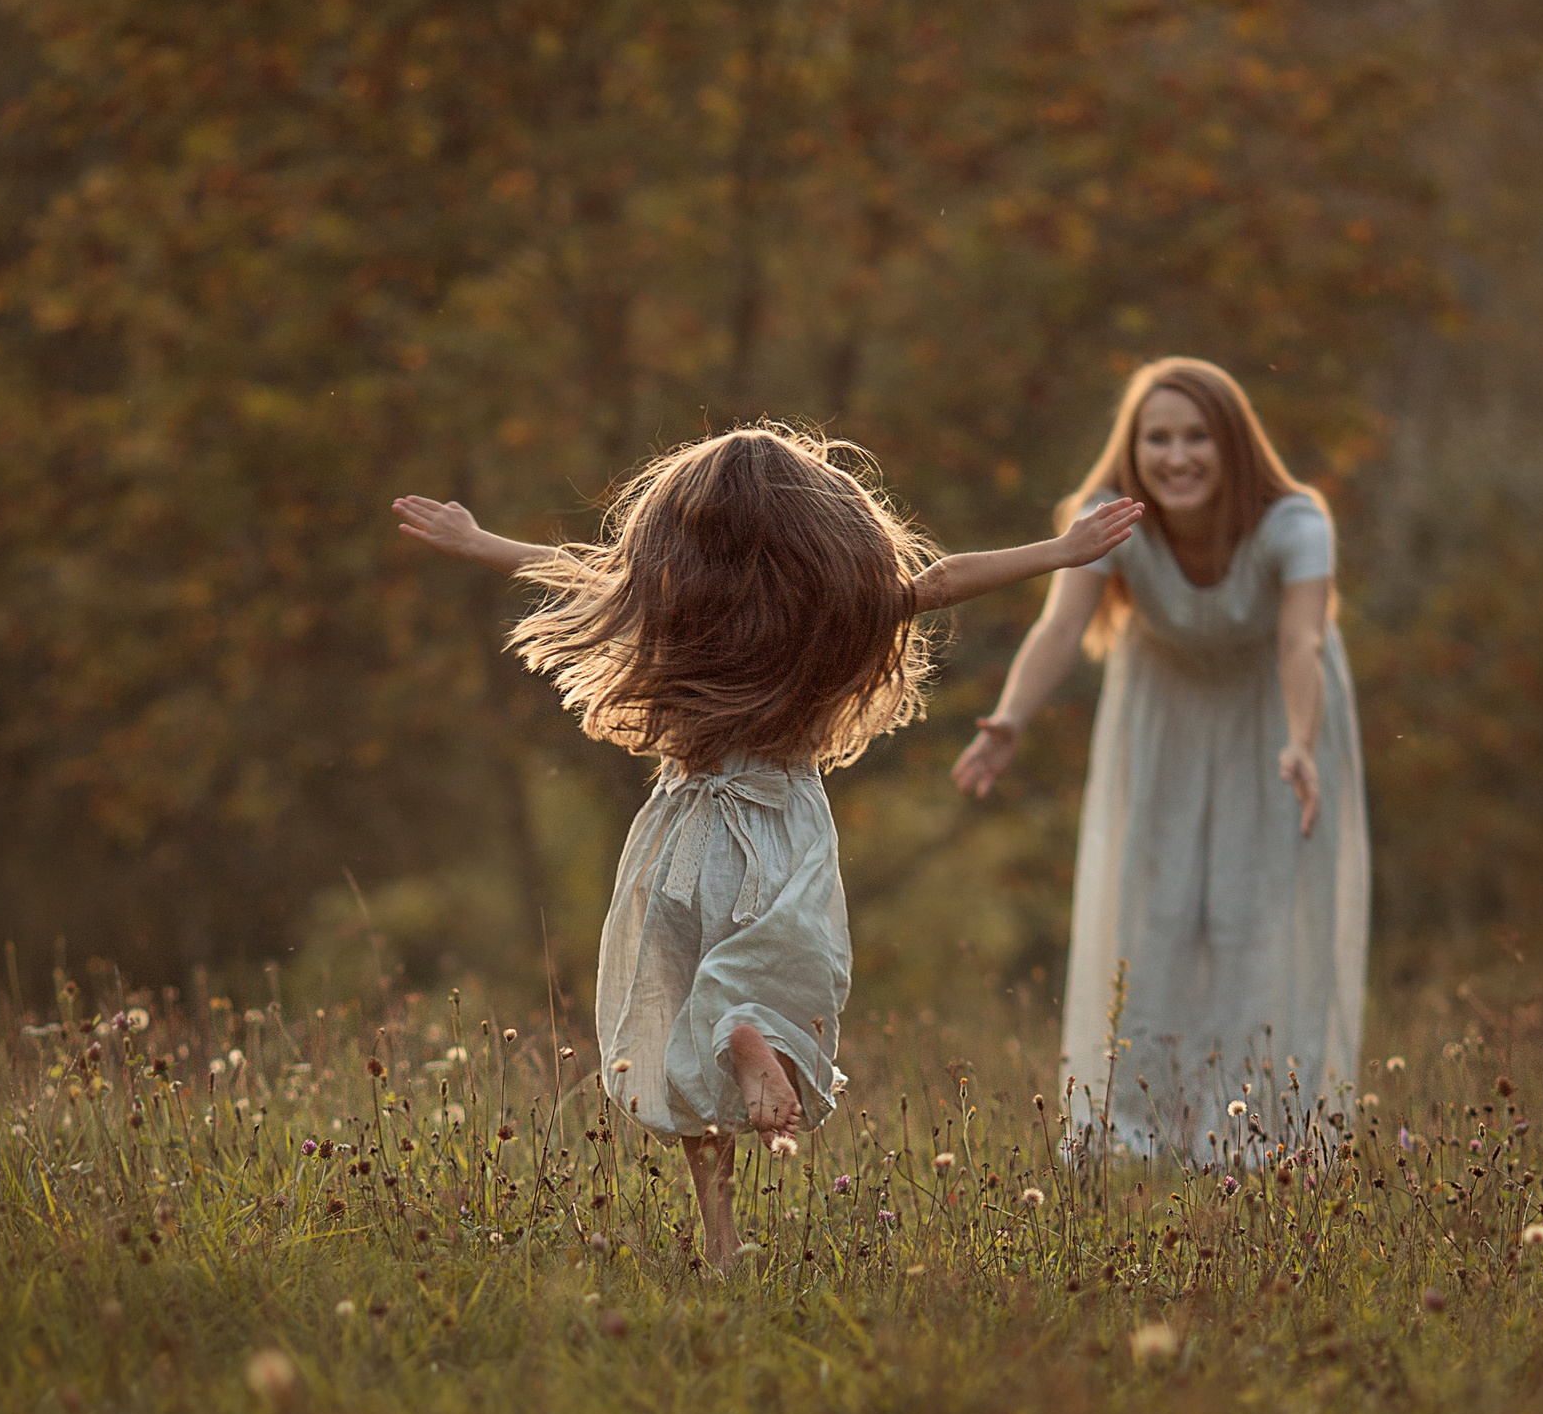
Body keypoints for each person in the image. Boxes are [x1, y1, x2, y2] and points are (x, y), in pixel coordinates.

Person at [392, 426, 1139, 1264]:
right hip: (780, 820)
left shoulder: (673, 601)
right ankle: (753, 1035)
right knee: (783, 966)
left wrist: (475, 539)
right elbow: (943, 578)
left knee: (685, 1018)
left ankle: (721, 1235)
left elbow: (574, 570)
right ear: (830, 536)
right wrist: (1063, 550)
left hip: (682, 832)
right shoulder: (843, 605)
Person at [953, 358, 1368, 1156]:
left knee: (1254, 914)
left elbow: (1302, 639)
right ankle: (1138, 1131)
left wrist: (1302, 741)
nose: (1177, 456)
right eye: (1158, 439)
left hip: (1276, 718)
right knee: (1157, 908)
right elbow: (1060, 627)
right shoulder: (1108, 519)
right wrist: (1008, 718)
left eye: (1197, 437)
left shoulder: (1295, 522)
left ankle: (1259, 1134)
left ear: (1233, 444)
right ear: (1133, 450)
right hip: (1164, 714)